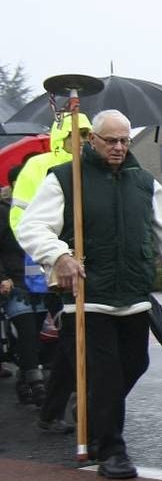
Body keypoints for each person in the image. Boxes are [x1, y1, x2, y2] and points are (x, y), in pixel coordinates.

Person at [18, 109, 162, 479]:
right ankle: (112, 449)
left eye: (124, 141)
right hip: (87, 296)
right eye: (110, 141)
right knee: (104, 374)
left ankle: (95, 418)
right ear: (92, 140)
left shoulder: (144, 183)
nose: (118, 147)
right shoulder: (66, 179)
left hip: (133, 294)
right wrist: (60, 255)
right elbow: (32, 226)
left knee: (135, 365)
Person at [11, 113, 93, 432]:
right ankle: (78, 399)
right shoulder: (39, 167)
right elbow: (21, 220)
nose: (84, 140)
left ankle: (54, 407)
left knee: (69, 340)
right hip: (46, 267)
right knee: (70, 338)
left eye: (88, 135)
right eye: (79, 134)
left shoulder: (93, 169)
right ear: (63, 138)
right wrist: (51, 254)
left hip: (83, 266)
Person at [0, 165, 49, 406]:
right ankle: (36, 385)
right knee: (27, 332)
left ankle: (25, 376)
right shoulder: (3, 211)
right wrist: (2, 277)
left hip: (39, 281)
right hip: (15, 283)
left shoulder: (40, 208)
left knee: (40, 335)